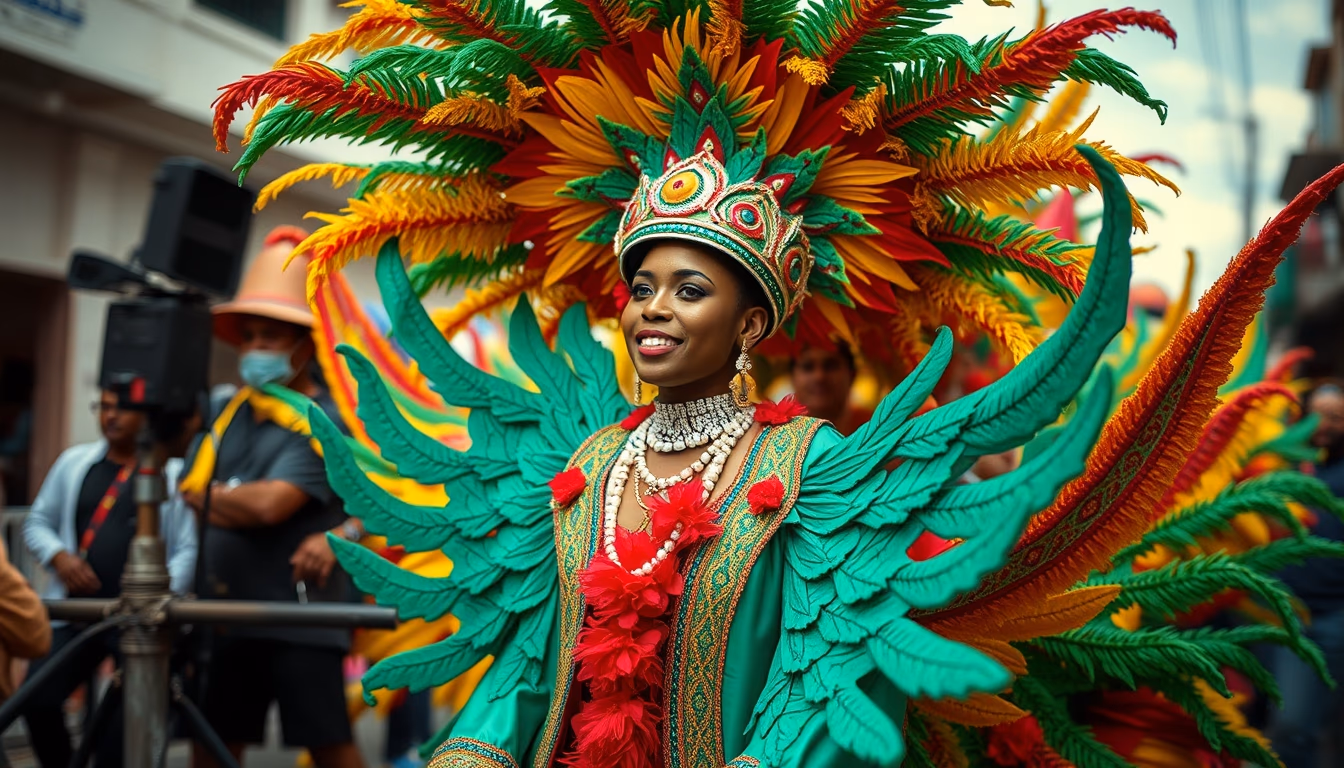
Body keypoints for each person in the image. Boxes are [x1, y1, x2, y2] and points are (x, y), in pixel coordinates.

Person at [213, 4, 1344, 765]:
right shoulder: (580, 469)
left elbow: (810, 705)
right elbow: (523, 679)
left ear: (755, 319)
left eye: (689, 289)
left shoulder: (813, 478)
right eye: (642, 282)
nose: (653, 305)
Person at [181, 226, 364, 768]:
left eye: (271, 337)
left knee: (330, 747)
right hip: (226, 614)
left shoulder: (322, 421)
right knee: (212, 745)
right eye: (251, 337)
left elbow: (269, 505)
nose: (255, 349)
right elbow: (193, 490)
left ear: (304, 347)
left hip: (300, 620)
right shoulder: (227, 412)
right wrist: (220, 495)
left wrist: (210, 496)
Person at [21, 389, 197, 768]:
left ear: (146, 415)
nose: (109, 416)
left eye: (120, 408)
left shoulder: (172, 473)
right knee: (37, 698)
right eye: (102, 407)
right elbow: (38, 521)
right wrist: (59, 557)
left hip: (140, 618)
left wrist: (163, 596)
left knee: (124, 731)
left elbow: (187, 547)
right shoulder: (74, 462)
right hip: (76, 611)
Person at [1267, 382, 1344, 768]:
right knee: (1291, 724)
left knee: (1325, 727)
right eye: (1317, 414)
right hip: (1291, 614)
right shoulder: (1286, 462)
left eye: (1336, 417)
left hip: (1336, 617)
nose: (1325, 425)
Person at [789, 342, 871, 436]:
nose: (819, 377)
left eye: (830, 365)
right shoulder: (778, 436)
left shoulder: (875, 429)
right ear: (792, 377)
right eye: (808, 367)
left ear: (852, 375)